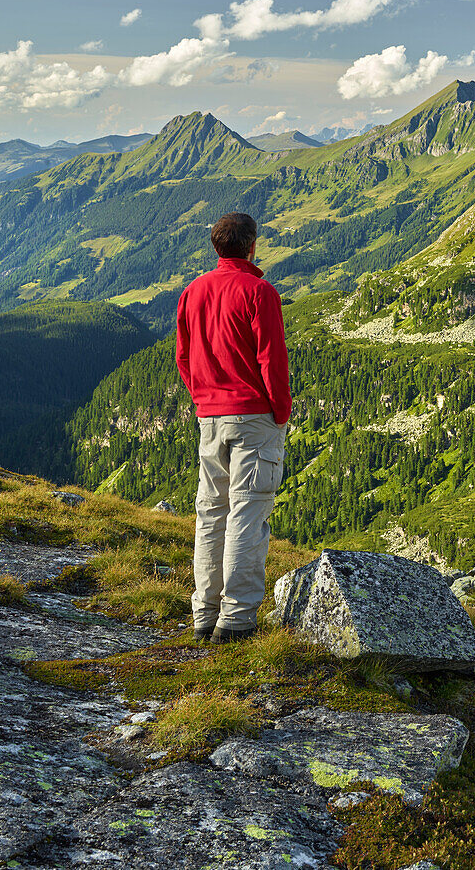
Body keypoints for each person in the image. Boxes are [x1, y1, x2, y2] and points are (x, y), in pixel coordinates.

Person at [176, 212, 291, 644]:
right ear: (252, 246)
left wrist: (203, 398)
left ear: (216, 247)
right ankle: (238, 618)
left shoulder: (193, 292)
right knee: (247, 512)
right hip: (254, 417)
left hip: (210, 418)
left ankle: (203, 615)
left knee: (211, 514)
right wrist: (280, 411)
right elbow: (272, 361)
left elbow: (183, 358)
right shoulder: (259, 292)